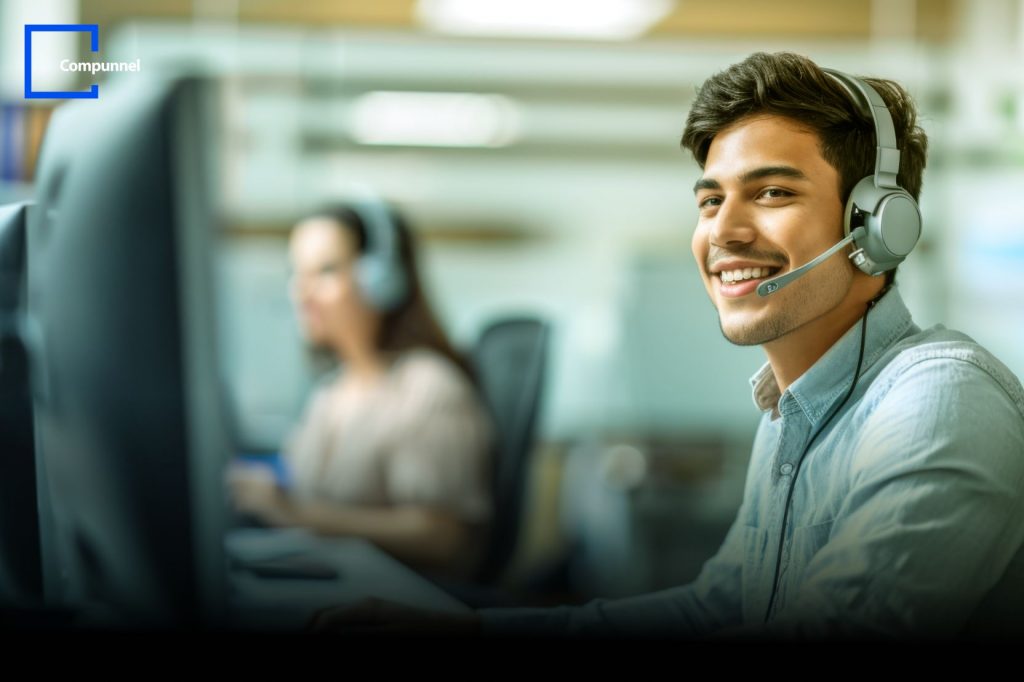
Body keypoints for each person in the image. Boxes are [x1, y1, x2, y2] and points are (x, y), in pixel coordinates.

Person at [305, 52, 1024, 641]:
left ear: (877, 226)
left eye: (772, 193)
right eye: (710, 200)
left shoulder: (940, 402)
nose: (724, 231)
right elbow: (714, 610)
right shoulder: (791, 415)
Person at [227, 197, 495, 583]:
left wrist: (294, 513)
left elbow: (443, 538)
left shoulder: (428, 387)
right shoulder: (330, 392)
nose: (301, 293)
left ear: (381, 278)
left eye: (325, 271)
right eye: (296, 273)